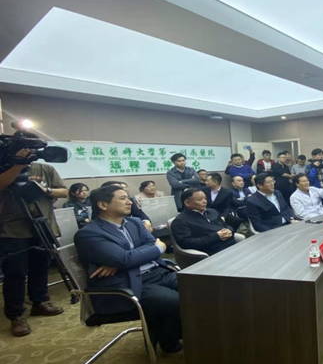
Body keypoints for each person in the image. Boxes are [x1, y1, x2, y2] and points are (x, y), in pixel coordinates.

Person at [74, 185, 181, 353]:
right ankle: (171, 339)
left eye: (129, 198)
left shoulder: (135, 222)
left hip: (158, 271)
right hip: (130, 283)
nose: (130, 202)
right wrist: (156, 249)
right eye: (123, 198)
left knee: (199, 289)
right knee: (176, 301)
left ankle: (171, 334)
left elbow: (141, 249)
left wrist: (126, 258)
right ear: (103, 205)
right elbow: (125, 258)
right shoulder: (89, 233)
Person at [0, 150, 67, 336]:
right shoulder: (5, 167)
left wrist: (46, 190)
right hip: (13, 229)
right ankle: (16, 315)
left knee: (40, 267)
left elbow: (64, 191)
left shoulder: (45, 168)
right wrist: (18, 166)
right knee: (15, 273)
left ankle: (40, 302)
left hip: (42, 225)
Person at [170, 188, 237, 256]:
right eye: (199, 200)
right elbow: (186, 243)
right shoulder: (181, 221)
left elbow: (225, 225)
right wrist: (216, 236)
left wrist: (229, 230)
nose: (204, 201)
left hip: (232, 244)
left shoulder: (212, 212)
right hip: (214, 251)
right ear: (187, 203)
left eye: (205, 199)